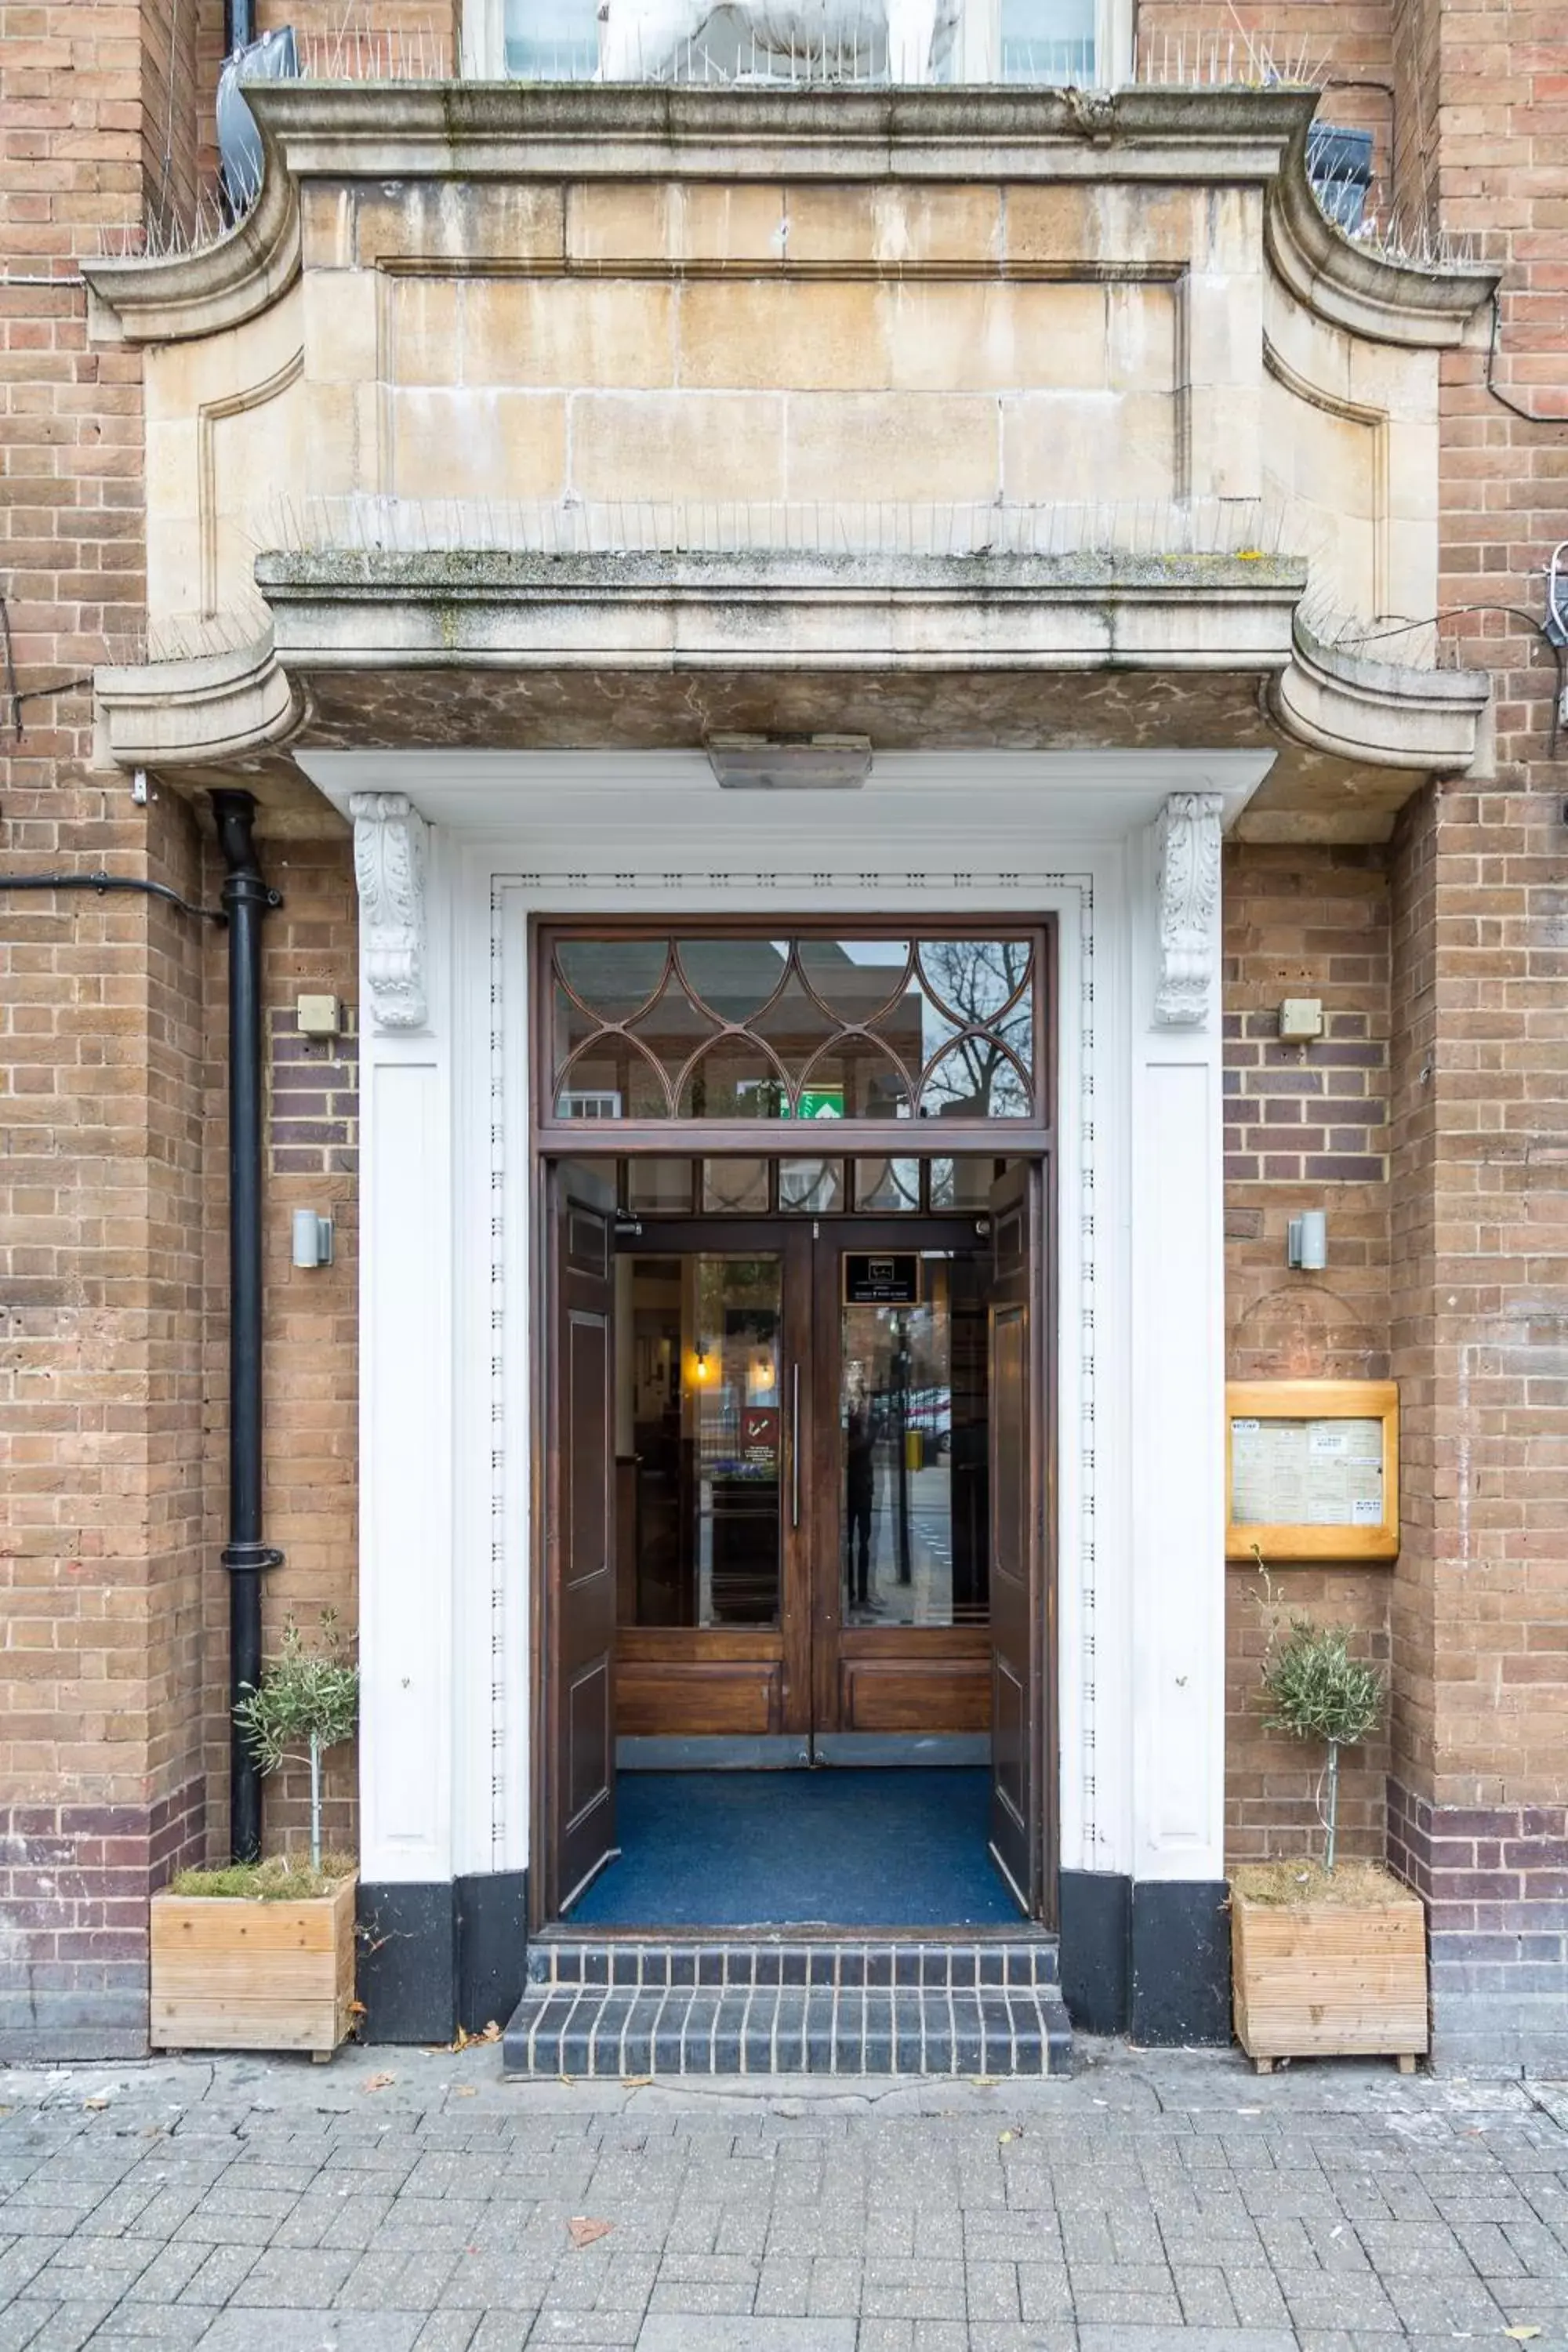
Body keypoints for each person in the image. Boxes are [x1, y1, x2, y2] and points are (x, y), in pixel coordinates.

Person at [845, 1398, 883, 1616]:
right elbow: (857, 1448)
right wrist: (874, 1429)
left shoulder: (863, 1428)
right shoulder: (851, 1430)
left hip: (863, 1490)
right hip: (852, 1491)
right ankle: (852, 1593)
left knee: (864, 1543)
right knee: (851, 1543)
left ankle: (862, 1593)